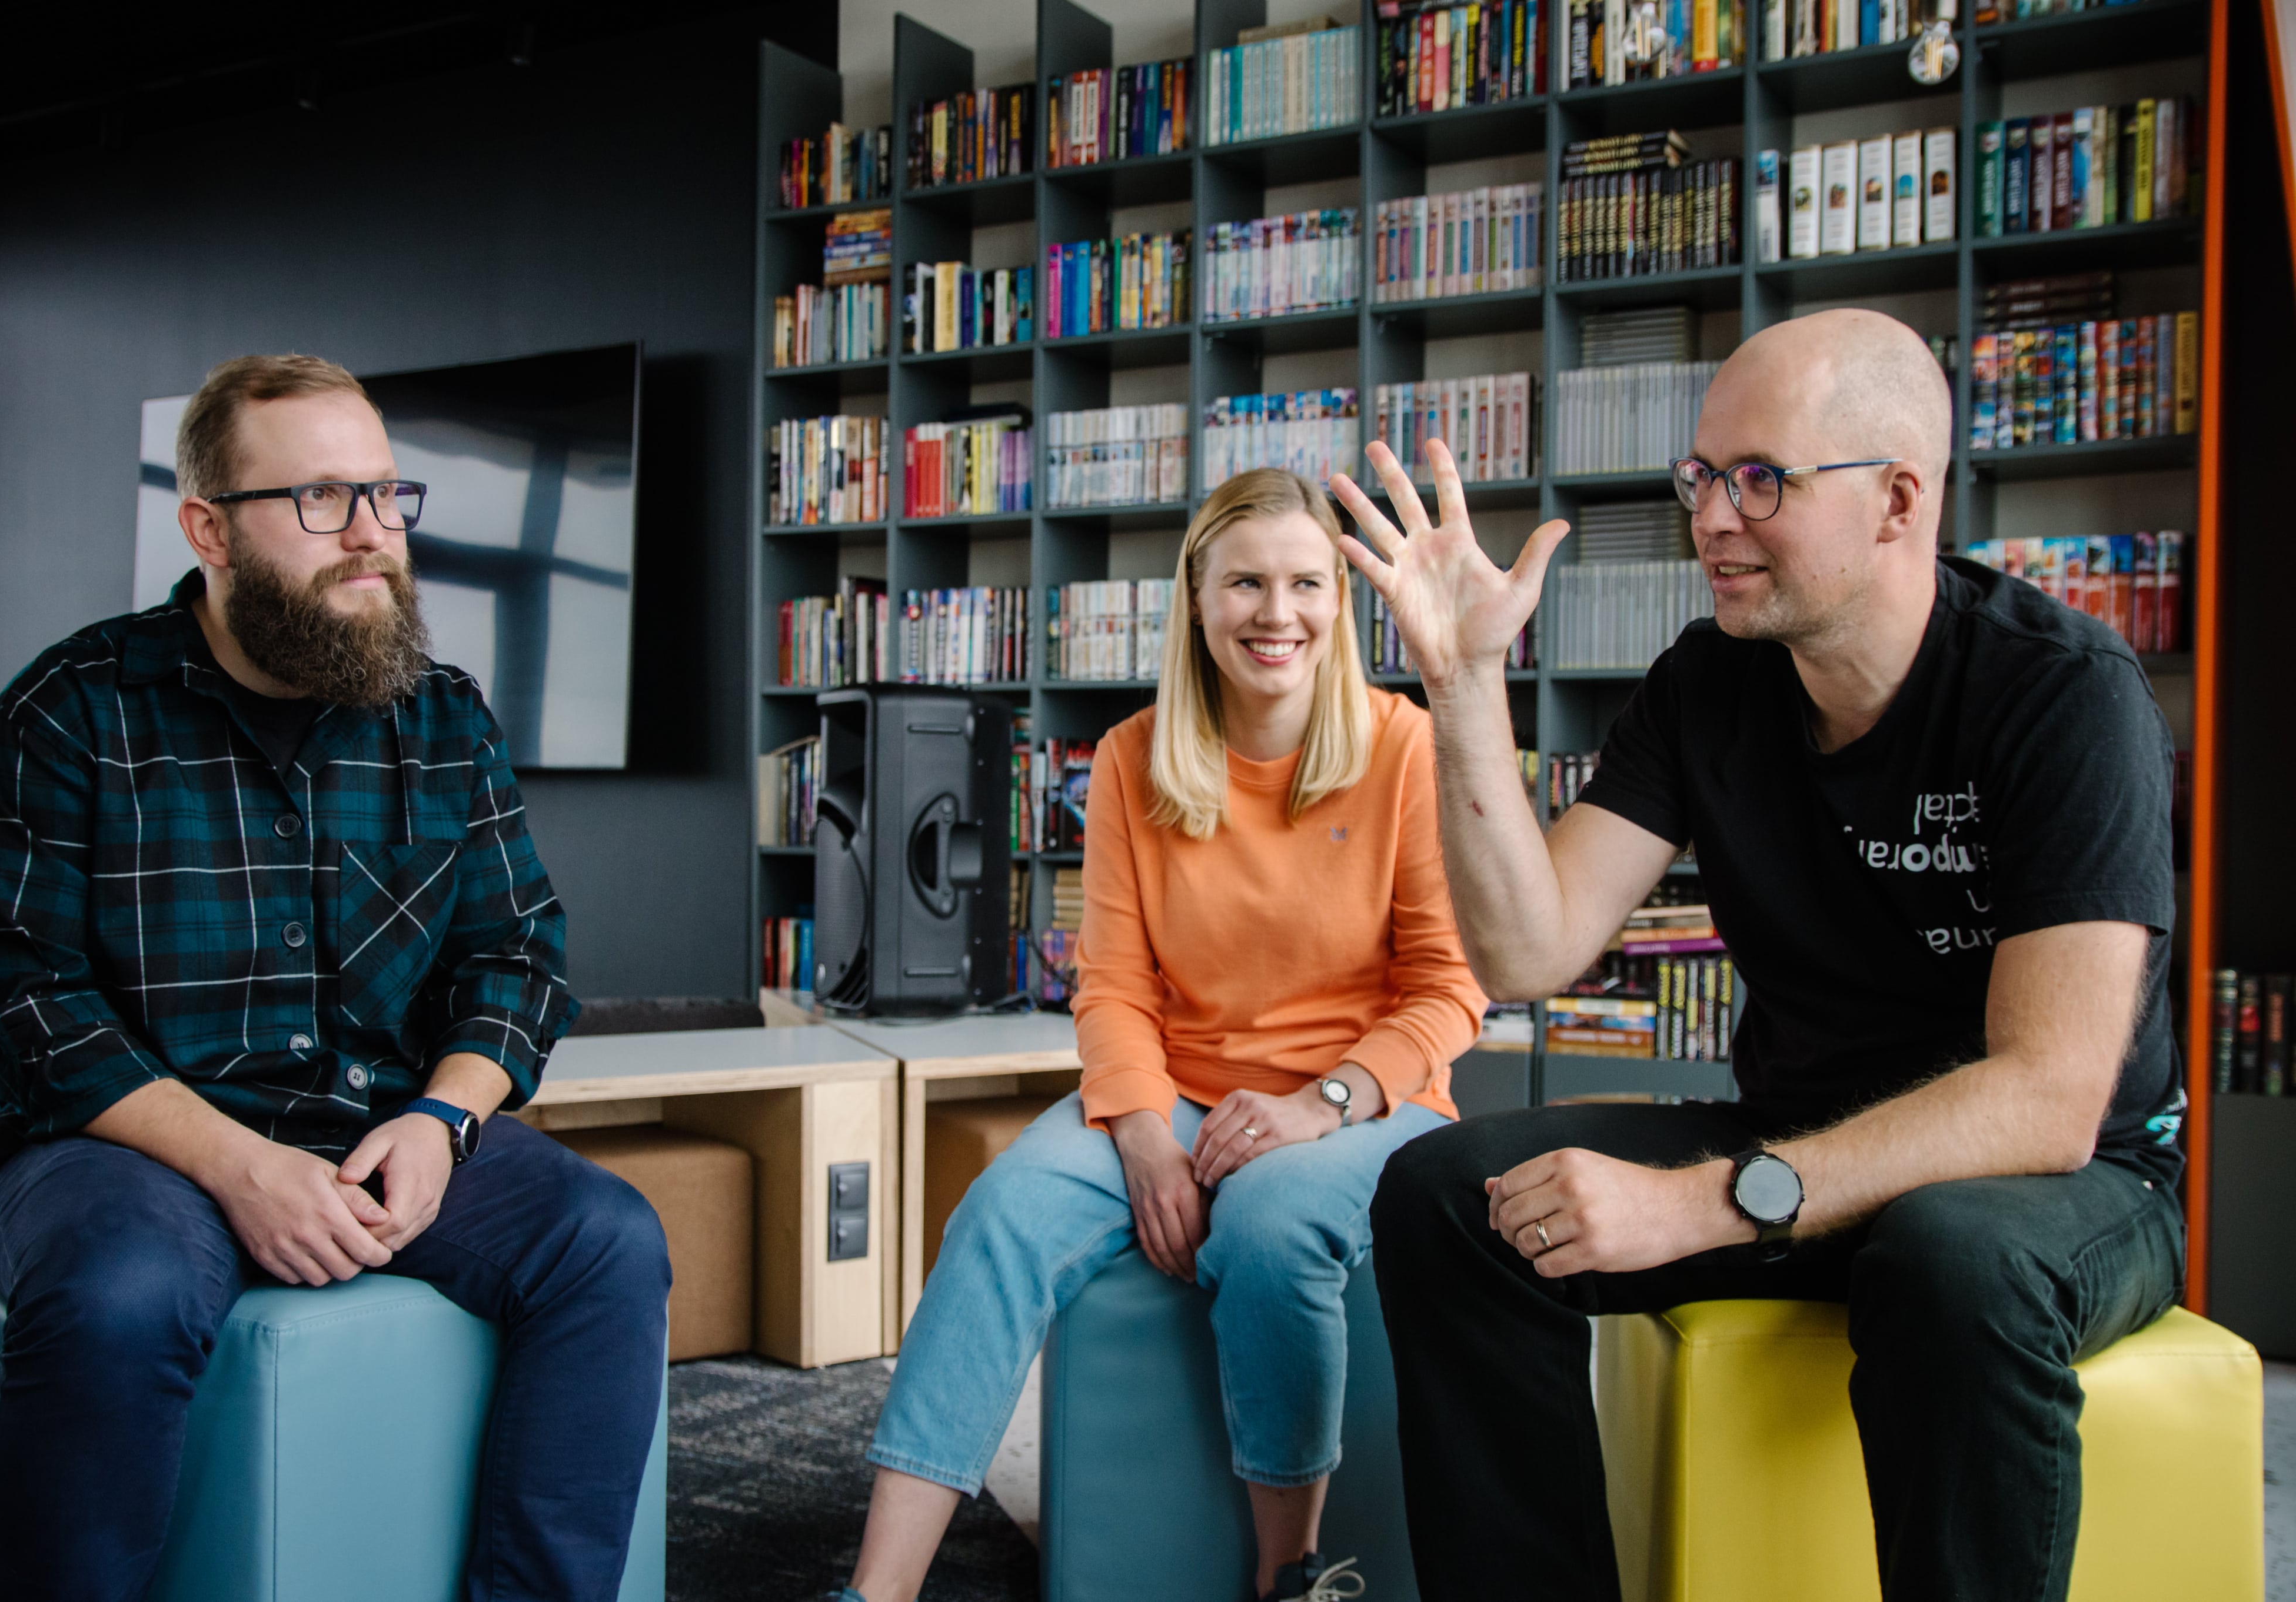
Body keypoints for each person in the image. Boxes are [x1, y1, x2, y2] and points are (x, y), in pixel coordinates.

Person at [1333, 308, 2184, 1602]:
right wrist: (1461, 686)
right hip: (1798, 1141)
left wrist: (1694, 1203)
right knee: (1448, 1195)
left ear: (1897, 499)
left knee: (1947, 1259)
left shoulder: (2061, 693)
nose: (1709, 519)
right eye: (1699, 476)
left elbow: (2047, 1097)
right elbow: (1528, 948)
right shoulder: (1706, 685)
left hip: (2067, 1180)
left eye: (1757, 480)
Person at [0, 354, 671, 1602]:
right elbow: (17, 999)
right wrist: (237, 1163)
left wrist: (442, 1120)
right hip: (117, 1143)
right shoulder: (67, 712)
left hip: (381, 1124)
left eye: (388, 497)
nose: (373, 537)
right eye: (324, 501)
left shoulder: (444, 719)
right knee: (121, 1296)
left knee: (607, 1243)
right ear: (208, 529)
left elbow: (517, 956)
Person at [834, 469, 1488, 1602]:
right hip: (1175, 1092)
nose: (1274, 614)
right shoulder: (1135, 758)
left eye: (1304, 584)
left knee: (1273, 1228)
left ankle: (1288, 1579)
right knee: (999, 1216)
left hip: (1363, 1104)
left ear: (1342, 601)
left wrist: (1317, 1105)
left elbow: (1449, 992)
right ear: (1196, 597)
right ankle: (875, 1593)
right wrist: (1141, 1135)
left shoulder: (1406, 749)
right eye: (1244, 583)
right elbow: (1114, 984)